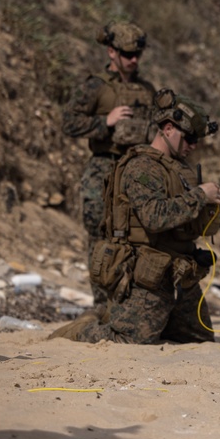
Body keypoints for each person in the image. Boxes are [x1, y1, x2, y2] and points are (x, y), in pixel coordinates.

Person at [50, 90, 220, 344]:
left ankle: (122, 315)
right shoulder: (141, 167)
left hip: (181, 272)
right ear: (168, 128)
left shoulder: (180, 170)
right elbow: (154, 217)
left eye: (197, 140)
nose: (193, 145)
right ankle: (81, 330)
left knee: (198, 339)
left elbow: (190, 223)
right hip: (147, 274)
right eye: (190, 138)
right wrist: (201, 196)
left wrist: (218, 209)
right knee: (129, 339)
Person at [62, 21, 156, 307]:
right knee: (100, 235)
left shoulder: (147, 89)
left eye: (137, 55)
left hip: (137, 170)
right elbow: (69, 122)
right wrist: (106, 121)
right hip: (104, 167)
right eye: (128, 54)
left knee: (140, 236)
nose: (134, 60)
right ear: (111, 52)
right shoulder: (95, 87)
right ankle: (102, 305)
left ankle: (131, 304)